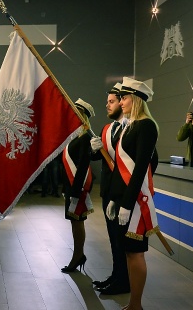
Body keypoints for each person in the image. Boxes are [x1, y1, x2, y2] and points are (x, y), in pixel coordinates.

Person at [107, 77, 159, 310]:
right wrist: (114, 198)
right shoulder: (130, 125)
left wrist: (127, 203)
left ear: (135, 99)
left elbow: (141, 168)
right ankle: (132, 303)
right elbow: (120, 168)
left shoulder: (146, 125)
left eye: (125, 97)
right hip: (123, 199)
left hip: (135, 201)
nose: (122, 101)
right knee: (128, 252)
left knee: (135, 253)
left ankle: (136, 305)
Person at [89, 83, 131, 295]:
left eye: (112, 101)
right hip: (107, 190)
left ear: (123, 103)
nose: (108, 105)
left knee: (122, 239)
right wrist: (94, 150)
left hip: (122, 192)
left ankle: (124, 280)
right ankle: (116, 275)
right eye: (107, 102)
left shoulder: (130, 127)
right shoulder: (107, 128)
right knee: (113, 238)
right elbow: (100, 156)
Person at [60, 98, 95, 273]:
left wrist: (75, 190)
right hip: (71, 186)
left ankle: (78, 256)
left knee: (77, 220)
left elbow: (83, 166)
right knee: (75, 221)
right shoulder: (74, 136)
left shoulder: (85, 137)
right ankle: (78, 255)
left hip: (78, 187)